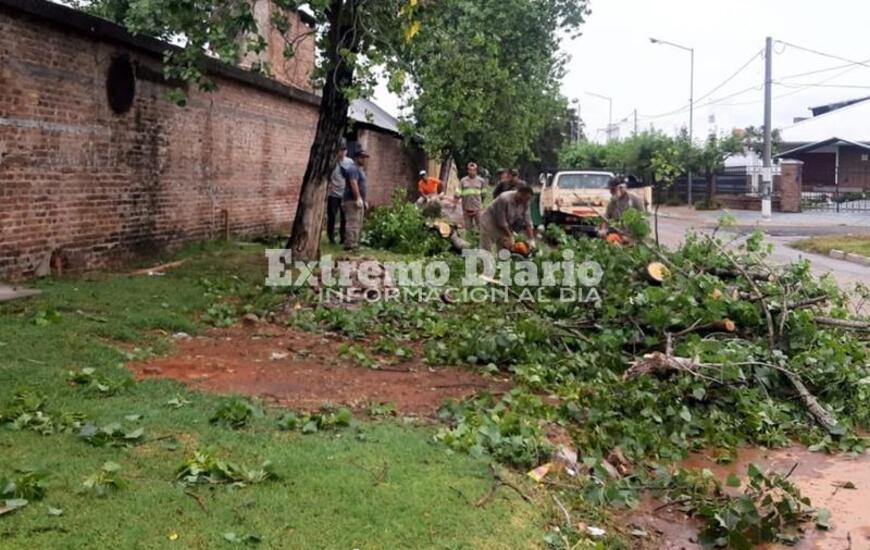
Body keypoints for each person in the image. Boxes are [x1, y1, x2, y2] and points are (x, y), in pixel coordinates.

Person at [479, 184, 536, 253]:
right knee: (486, 248)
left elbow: (528, 221)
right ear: (519, 194)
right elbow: (501, 221)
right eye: (526, 199)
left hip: (506, 224)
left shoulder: (525, 203)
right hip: (490, 222)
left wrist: (531, 239)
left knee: (505, 249)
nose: (527, 201)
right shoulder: (504, 199)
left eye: (528, 199)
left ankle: (502, 263)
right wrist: (510, 236)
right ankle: (484, 263)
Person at [342, 149, 370, 251]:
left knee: (358, 223)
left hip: (358, 200)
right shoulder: (353, 169)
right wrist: (358, 197)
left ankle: (355, 243)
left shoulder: (360, 170)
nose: (364, 160)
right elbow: (353, 183)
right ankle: (349, 245)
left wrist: (364, 200)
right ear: (356, 158)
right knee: (352, 223)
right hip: (351, 200)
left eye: (365, 158)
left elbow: (362, 186)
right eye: (362, 158)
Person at [326, 142, 355, 245]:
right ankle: (331, 237)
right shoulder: (332, 162)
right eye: (340, 150)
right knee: (332, 216)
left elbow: (353, 177)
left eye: (344, 150)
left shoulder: (350, 162)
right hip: (333, 194)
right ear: (337, 151)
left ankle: (343, 237)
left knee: (344, 217)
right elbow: (327, 177)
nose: (342, 152)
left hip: (345, 194)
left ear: (346, 151)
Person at [458, 162, 486, 232]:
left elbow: (484, 194)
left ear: (476, 171)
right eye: (470, 170)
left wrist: (480, 204)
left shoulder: (481, 181)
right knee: (468, 228)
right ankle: (469, 241)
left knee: (480, 227)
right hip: (466, 208)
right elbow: (458, 192)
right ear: (467, 171)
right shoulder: (463, 181)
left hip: (477, 209)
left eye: (473, 170)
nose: (471, 172)